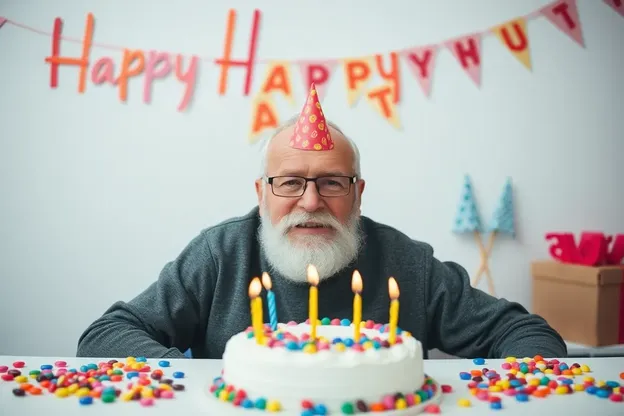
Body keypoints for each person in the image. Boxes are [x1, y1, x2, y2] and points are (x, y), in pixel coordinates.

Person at [77, 84, 567, 360]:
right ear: (261, 194)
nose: (310, 202)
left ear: (358, 194)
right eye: (289, 182)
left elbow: (531, 337)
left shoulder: (406, 263)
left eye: (332, 183)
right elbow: (105, 335)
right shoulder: (219, 254)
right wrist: (202, 381)